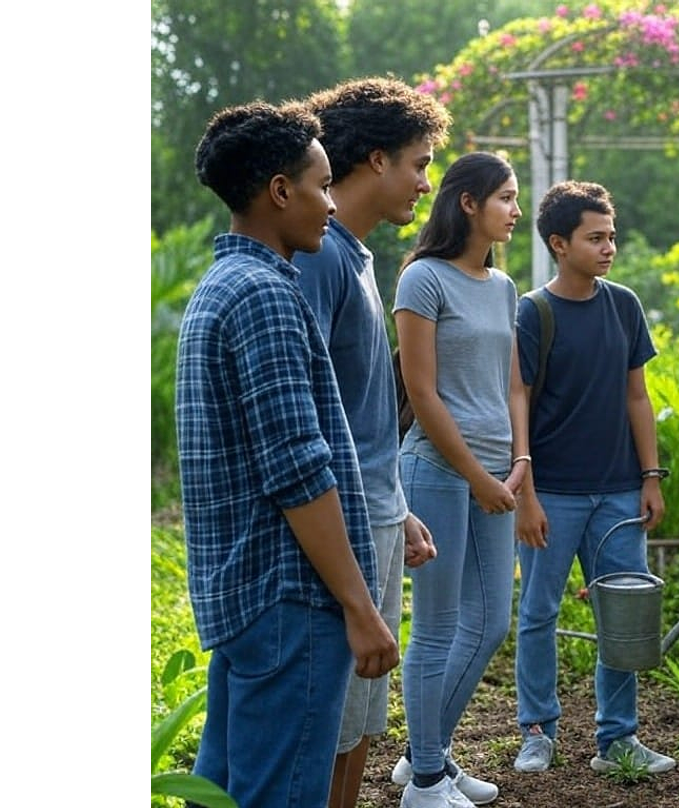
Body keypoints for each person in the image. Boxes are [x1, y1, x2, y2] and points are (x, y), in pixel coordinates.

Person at [177, 100, 399, 808]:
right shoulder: (267, 296)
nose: (332, 206)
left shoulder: (218, 287)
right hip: (289, 598)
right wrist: (360, 607)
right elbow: (298, 470)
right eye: (323, 185)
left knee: (224, 792)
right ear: (280, 190)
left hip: (243, 597)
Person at [288, 78, 478, 808]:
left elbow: (358, 411)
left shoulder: (360, 258)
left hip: (375, 512)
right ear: (373, 160)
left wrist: (395, 505)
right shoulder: (319, 258)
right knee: (327, 723)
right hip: (336, 525)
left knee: (360, 718)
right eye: (419, 162)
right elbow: (304, 411)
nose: (427, 182)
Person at [507, 180, 677, 777]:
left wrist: (649, 477)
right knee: (538, 613)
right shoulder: (533, 312)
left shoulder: (624, 305)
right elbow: (517, 403)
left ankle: (618, 739)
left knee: (623, 614)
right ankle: (537, 732)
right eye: (595, 237)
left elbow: (638, 396)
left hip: (619, 492)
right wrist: (524, 495)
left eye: (612, 236)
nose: (609, 247)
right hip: (551, 492)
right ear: (559, 243)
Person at [394, 152, 526, 808]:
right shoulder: (423, 279)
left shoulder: (502, 288)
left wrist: (519, 461)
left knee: (491, 622)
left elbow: (511, 385)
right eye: (505, 197)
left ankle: (428, 752)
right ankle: (424, 781)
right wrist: (477, 475)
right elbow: (421, 391)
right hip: (438, 473)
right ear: (468, 202)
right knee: (441, 627)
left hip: (496, 477)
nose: (516, 210)